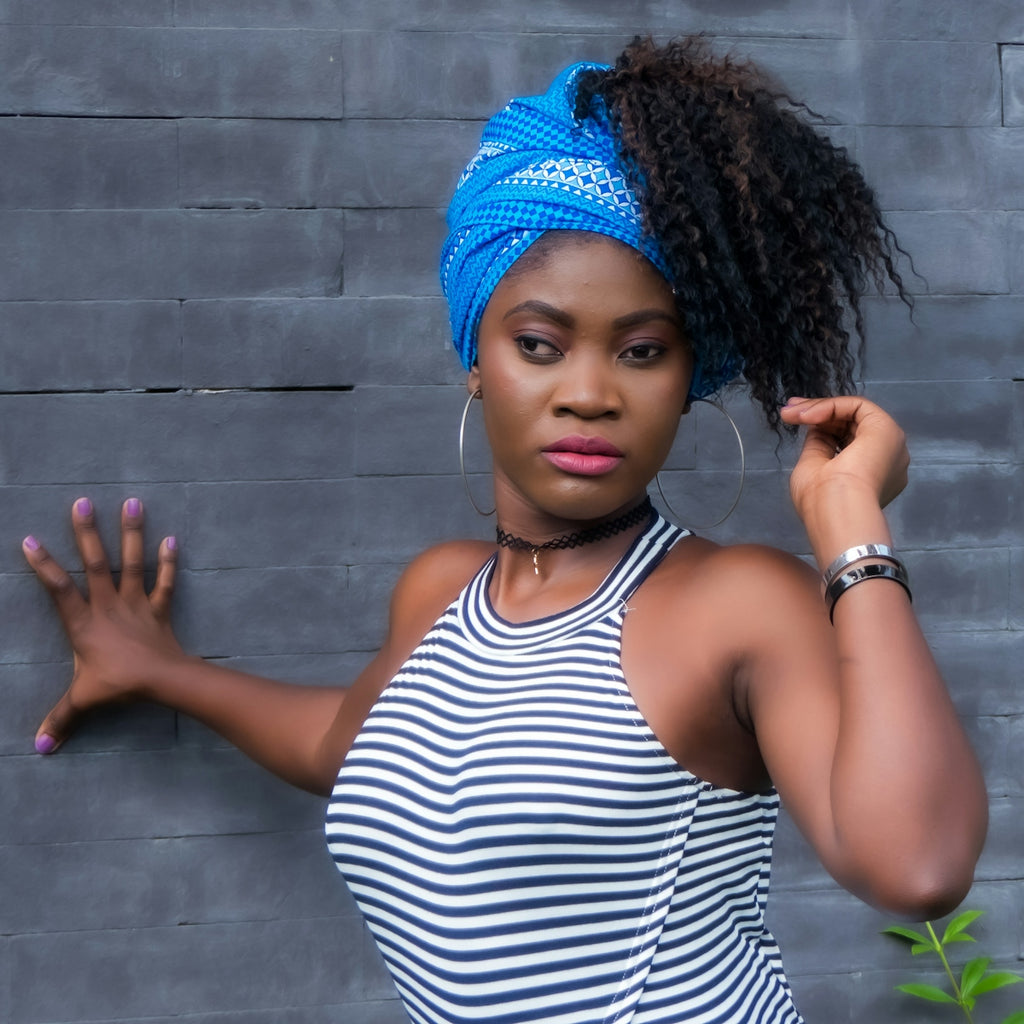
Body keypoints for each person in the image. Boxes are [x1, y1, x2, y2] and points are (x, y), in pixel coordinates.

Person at [22, 35, 986, 1024]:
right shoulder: (440, 592)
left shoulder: (731, 605)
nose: (588, 393)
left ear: (683, 379)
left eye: (642, 351)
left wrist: (850, 527)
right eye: (539, 343)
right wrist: (157, 668)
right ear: (475, 353)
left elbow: (914, 863)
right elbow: (344, 742)